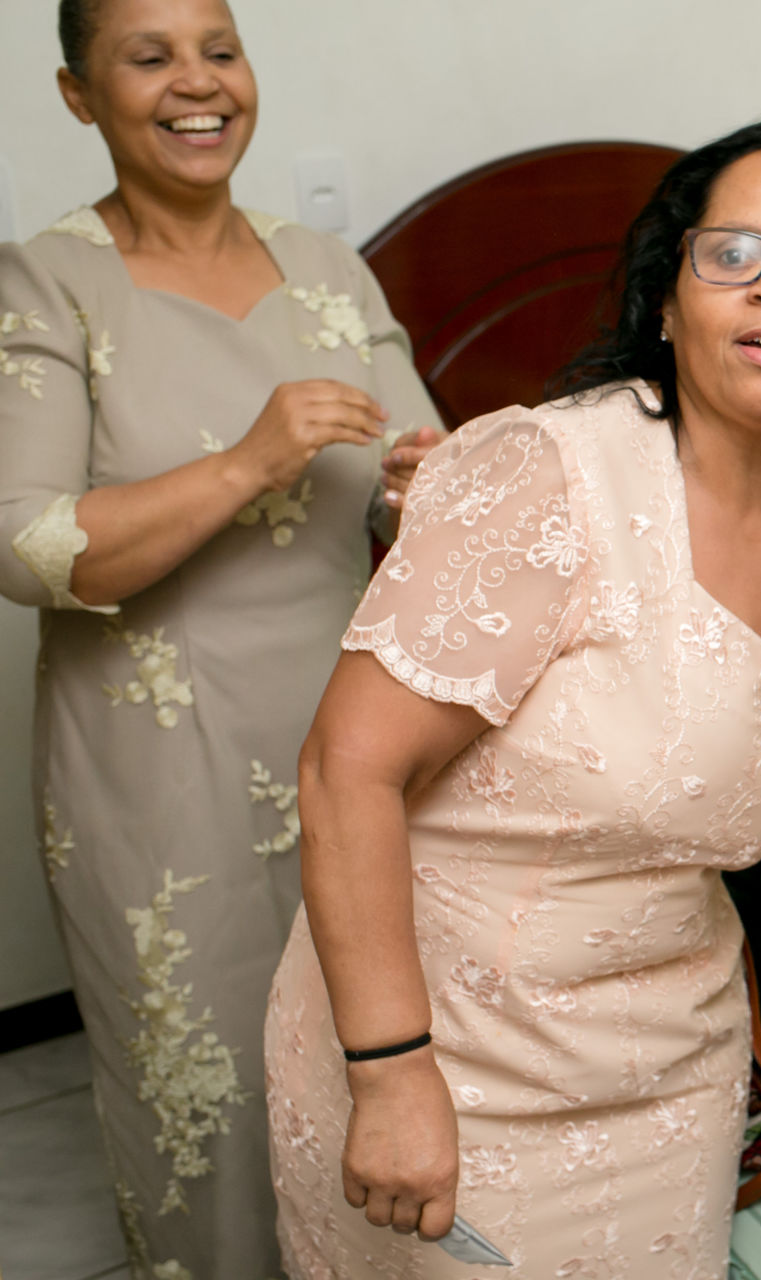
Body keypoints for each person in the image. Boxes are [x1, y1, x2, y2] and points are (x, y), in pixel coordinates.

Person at [263, 116, 761, 1277]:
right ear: (667, 299)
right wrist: (389, 1070)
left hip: (674, 1078)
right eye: (735, 254)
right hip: (448, 1063)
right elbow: (346, 769)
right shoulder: (545, 477)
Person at [0, 1, 442, 1274]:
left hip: (355, 740)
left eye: (220, 50)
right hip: (156, 767)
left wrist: (429, 484)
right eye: (149, 58)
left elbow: (422, 463)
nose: (197, 84)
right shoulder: (46, 280)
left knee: (363, 1058)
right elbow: (26, 545)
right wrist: (251, 457)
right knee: (204, 1088)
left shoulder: (328, 268)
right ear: (80, 96)